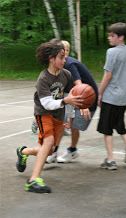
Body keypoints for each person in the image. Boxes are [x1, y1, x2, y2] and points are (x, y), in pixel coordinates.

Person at [15, 39, 83, 193]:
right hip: (43, 113)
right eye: (61, 57)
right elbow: (47, 103)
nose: (65, 60)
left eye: (65, 57)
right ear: (52, 59)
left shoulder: (66, 74)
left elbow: (71, 93)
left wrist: (81, 105)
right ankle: (33, 181)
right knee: (49, 141)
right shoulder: (43, 79)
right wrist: (66, 100)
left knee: (50, 150)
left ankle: (23, 152)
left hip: (58, 115)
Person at [46, 40, 99, 163]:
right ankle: (54, 152)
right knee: (61, 122)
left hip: (86, 98)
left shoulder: (69, 64)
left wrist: (83, 106)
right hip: (72, 95)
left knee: (75, 126)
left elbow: (79, 85)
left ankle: (72, 150)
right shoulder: (56, 64)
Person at [97, 22, 126, 170]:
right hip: (124, 97)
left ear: (121, 37)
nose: (109, 38)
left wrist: (99, 93)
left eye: (112, 35)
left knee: (106, 128)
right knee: (119, 123)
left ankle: (110, 159)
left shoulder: (112, 52)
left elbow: (108, 75)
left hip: (112, 96)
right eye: (109, 35)